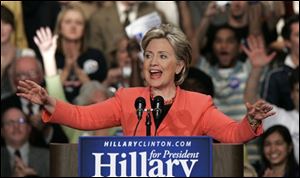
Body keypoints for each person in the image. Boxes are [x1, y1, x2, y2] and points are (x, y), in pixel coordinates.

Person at [16, 24, 275, 142]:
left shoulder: (199, 104)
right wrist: (48, 100)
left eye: (163, 56)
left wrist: (251, 121)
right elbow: (83, 117)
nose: (153, 63)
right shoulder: (128, 99)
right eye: (148, 55)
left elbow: (232, 134)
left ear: (180, 65)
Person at [1, 107, 49, 177]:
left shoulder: (48, 157)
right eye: (10, 123)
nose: (16, 126)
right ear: (2, 131)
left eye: (21, 121)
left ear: (29, 128)